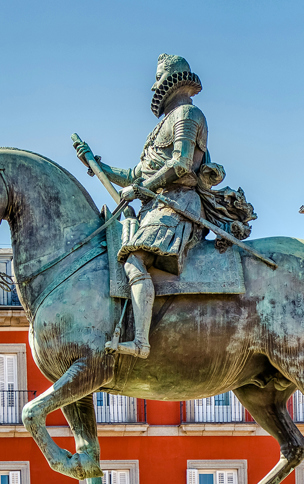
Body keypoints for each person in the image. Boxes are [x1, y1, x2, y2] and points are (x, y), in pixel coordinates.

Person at [76, 54, 209, 359]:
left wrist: (141, 188)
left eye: (158, 79)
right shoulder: (162, 126)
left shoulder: (188, 114)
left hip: (177, 204)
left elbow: (181, 164)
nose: (154, 88)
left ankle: (140, 342)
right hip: (156, 206)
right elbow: (134, 174)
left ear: (171, 80)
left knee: (134, 259)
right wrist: (97, 165)